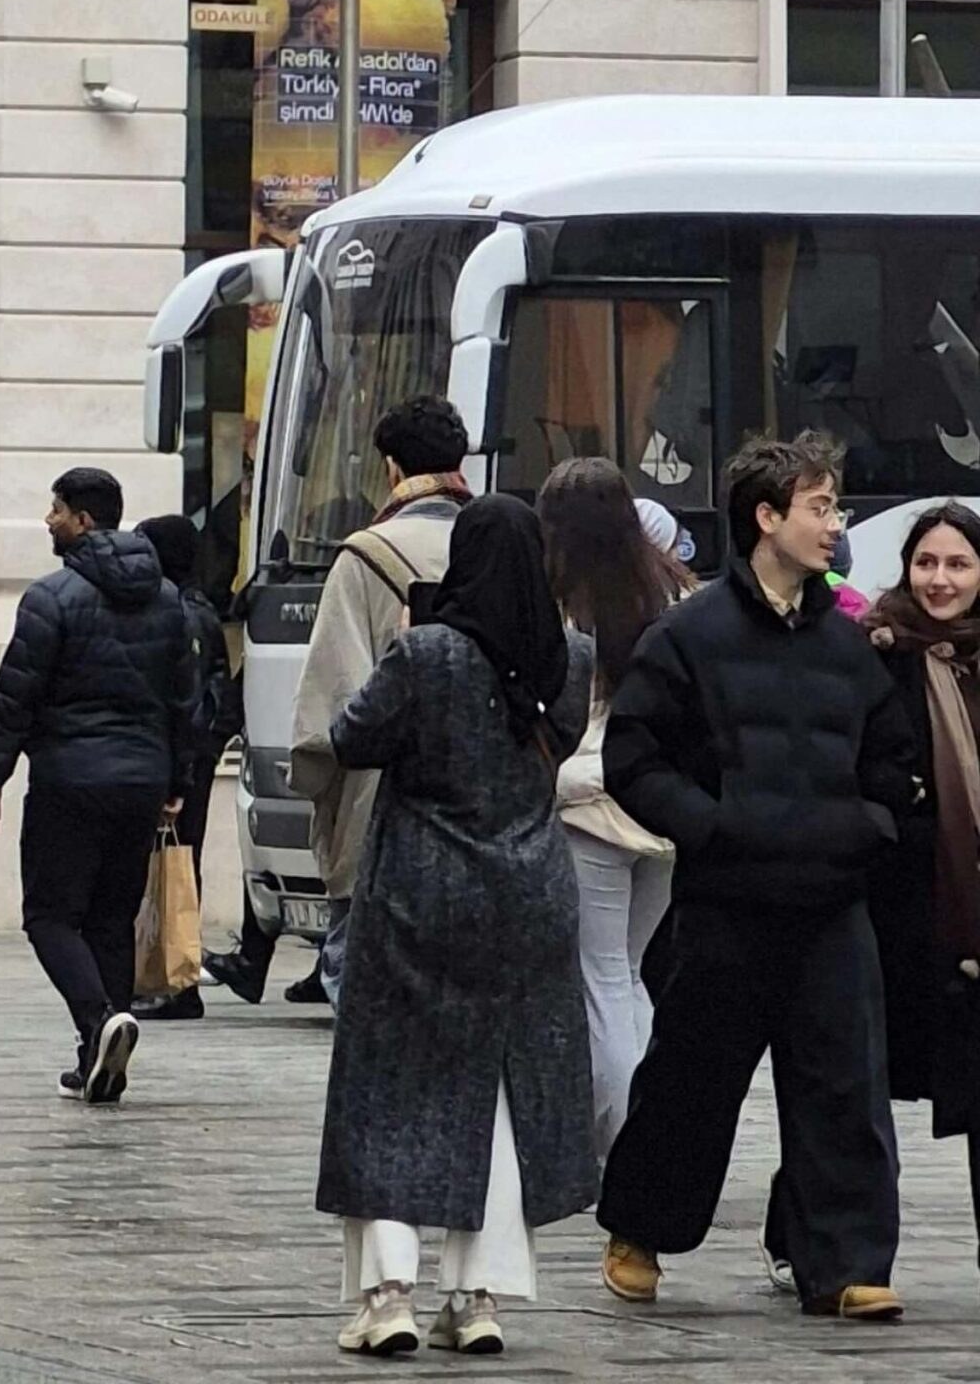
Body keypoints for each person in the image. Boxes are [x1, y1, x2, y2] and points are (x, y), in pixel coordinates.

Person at [597, 435, 919, 1322]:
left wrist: (871, 826)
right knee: (690, 1083)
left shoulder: (854, 642)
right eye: (819, 507)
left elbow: (895, 759)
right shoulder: (688, 635)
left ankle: (847, 1263)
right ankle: (639, 1228)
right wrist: (712, 825)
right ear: (766, 518)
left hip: (832, 903)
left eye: (834, 507)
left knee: (845, 1088)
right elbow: (635, 757)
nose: (835, 526)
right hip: (727, 902)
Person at [319, 495, 599, 1358]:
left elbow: (351, 736)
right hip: (532, 894)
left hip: (421, 895)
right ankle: (478, 1297)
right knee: (505, 1094)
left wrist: (414, 632)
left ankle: (388, 1291)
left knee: (389, 1089)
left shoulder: (428, 653)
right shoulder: (570, 657)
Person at [764, 501, 980, 1291]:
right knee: (851, 1083)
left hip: (969, 909)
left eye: (958, 564)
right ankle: (807, 1235)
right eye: (928, 563)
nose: (941, 580)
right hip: (886, 900)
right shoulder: (874, 653)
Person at [0, 469, 199, 1103]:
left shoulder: (51, 598)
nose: (49, 519)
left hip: (70, 779)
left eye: (57, 509)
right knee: (110, 917)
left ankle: (99, 1021)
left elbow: (16, 694)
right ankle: (98, 1061)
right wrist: (176, 777)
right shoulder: (169, 600)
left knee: (49, 914)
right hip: (142, 780)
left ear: (84, 520)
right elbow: (185, 700)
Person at [287, 395, 472, 1009]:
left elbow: (336, 691)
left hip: (386, 801)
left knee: (366, 989)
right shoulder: (506, 544)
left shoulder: (367, 554)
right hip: (487, 804)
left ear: (391, 468)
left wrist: (315, 777)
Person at [538, 459, 692, 1157]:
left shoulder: (563, 600)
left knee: (601, 974)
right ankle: (653, 1133)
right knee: (630, 973)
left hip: (587, 803)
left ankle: (623, 1144)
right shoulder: (676, 589)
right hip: (663, 801)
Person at [131, 512, 236, 1022]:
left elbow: (187, 699)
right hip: (191, 754)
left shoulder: (180, 613)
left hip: (182, 758)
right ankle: (170, 976)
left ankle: (176, 982)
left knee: (172, 865)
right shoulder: (196, 607)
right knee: (177, 864)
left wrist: (179, 768)